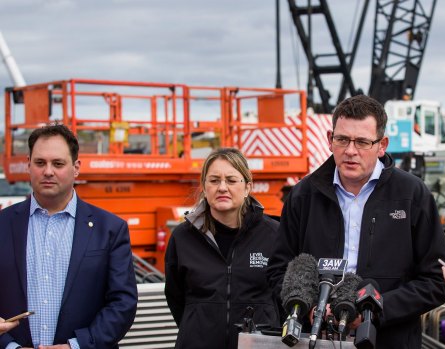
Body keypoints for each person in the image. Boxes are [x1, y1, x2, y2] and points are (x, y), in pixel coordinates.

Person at [266, 94, 445, 349]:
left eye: (362, 142)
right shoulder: (303, 196)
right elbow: (279, 269)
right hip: (317, 339)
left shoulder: (412, 195)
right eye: (342, 139)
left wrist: (375, 309)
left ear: (382, 144)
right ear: (329, 139)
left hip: (389, 341)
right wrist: (307, 306)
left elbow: (437, 280)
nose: (350, 151)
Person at [0, 124, 138, 349]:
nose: (48, 171)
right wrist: (9, 346)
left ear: (76, 168)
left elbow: (122, 303)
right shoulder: (3, 225)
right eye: (40, 163)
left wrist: (76, 346)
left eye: (58, 163)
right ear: (28, 165)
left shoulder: (110, 229)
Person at [165, 148, 280, 349]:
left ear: (247, 188)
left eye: (232, 180)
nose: (222, 187)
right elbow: (176, 297)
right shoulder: (183, 237)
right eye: (214, 180)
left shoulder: (273, 235)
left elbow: (283, 299)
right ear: (204, 186)